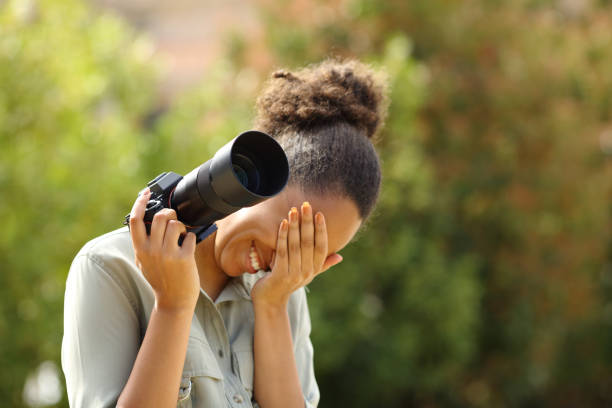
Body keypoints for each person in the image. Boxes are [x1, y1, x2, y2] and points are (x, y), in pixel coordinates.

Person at [61, 59, 388, 408]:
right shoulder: (110, 268)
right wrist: (172, 307)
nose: (286, 262)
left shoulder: (284, 287)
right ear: (257, 182)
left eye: (311, 252)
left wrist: (273, 304)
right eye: (292, 237)